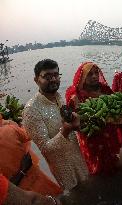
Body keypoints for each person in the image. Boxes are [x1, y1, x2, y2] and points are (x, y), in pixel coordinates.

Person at [23, 59, 88, 191]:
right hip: (62, 167)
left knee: (89, 189)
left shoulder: (58, 97)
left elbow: (69, 124)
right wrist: (65, 130)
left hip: (77, 156)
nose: (53, 79)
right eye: (47, 76)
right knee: (75, 196)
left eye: (55, 75)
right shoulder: (31, 110)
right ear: (36, 80)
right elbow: (45, 148)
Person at [65, 62, 121, 175]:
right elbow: (73, 117)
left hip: (108, 129)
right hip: (90, 132)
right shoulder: (74, 94)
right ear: (82, 76)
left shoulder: (104, 88)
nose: (95, 76)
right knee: (95, 159)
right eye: (89, 74)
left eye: (96, 73)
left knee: (110, 152)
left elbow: (115, 103)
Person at [0, 117, 62, 196]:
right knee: (55, 197)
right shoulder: (9, 129)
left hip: (19, 193)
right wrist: (16, 125)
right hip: (37, 177)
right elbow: (28, 134)